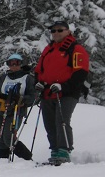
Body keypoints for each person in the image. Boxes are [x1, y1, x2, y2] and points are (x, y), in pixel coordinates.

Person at [34, 21, 90, 165]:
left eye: (60, 30)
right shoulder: (49, 49)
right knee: (50, 123)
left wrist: (64, 86)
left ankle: (64, 151)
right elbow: (39, 70)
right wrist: (38, 83)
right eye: (53, 31)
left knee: (62, 121)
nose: (56, 33)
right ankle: (55, 151)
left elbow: (81, 73)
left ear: (68, 31)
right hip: (48, 93)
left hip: (67, 93)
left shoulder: (76, 49)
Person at [0, 53, 35, 160]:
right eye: (11, 63)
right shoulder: (4, 77)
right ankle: (3, 161)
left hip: (16, 111)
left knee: (8, 136)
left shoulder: (27, 78)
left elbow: (33, 96)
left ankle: (27, 158)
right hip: (0, 110)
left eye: (17, 63)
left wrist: (21, 100)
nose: (14, 66)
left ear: (21, 64)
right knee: (0, 138)